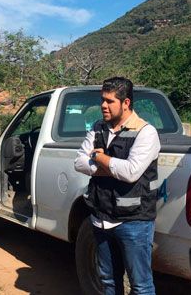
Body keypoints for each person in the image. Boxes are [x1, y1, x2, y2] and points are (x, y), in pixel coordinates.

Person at [74, 77, 161, 295]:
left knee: (140, 285)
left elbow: (131, 173)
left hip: (134, 222)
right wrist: (110, 167)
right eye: (102, 100)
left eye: (110, 101)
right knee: (108, 281)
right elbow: (79, 162)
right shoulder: (98, 127)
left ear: (126, 103)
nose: (103, 105)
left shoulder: (145, 132)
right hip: (101, 217)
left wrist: (102, 160)